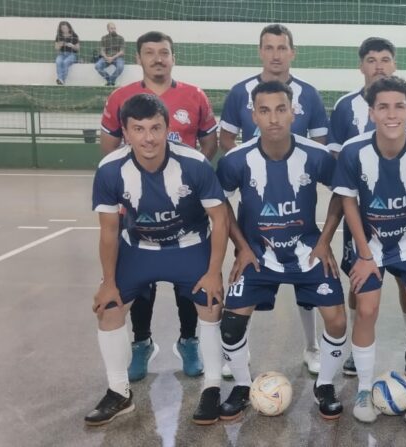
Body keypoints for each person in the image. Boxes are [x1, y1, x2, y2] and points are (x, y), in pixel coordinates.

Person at [85, 93, 229, 426]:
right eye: (138, 129)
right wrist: (108, 283)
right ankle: (119, 393)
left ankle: (211, 387)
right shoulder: (110, 170)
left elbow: (219, 220)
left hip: (189, 245)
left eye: (156, 128)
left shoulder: (193, 164)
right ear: (125, 131)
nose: (148, 137)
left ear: (168, 129)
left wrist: (213, 273)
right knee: (108, 308)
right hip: (138, 248)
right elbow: (109, 231)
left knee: (210, 302)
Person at [216, 80, 347, 421]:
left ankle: (326, 385)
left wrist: (325, 240)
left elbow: (343, 193)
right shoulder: (236, 160)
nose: (273, 118)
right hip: (259, 255)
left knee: (337, 320)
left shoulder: (316, 156)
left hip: (307, 252)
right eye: (264, 111)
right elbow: (219, 205)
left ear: (292, 113)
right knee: (230, 325)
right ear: (253, 116)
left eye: (280, 109)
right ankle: (243, 387)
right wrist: (241, 247)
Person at [99, 31, 219, 383]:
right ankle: (141, 343)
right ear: (138, 58)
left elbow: (209, 143)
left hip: (186, 209)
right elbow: (110, 148)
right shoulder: (121, 97)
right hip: (138, 209)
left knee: (190, 284)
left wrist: (185, 182)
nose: (157, 59)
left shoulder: (194, 95)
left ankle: (189, 340)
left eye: (164, 52)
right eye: (149, 53)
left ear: (173, 57)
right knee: (142, 281)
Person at [219, 25, 331, 376]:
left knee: (306, 272)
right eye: (269, 47)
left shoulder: (309, 95)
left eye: (282, 47)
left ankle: (312, 347)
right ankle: (239, 351)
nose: (276, 54)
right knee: (246, 272)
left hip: (298, 202)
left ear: (292, 52)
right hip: (256, 201)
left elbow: (322, 148)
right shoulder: (240, 92)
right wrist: (250, 168)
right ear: (260, 51)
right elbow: (225, 138)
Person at [333, 76, 406, 425]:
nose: (391, 114)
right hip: (370, 243)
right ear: (371, 112)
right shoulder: (353, 151)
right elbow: (348, 204)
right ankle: (365, 388)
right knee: (366, 308)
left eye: (399, 106)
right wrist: (364, 255)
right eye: (383, 107)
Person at [329, 37, 406, 379]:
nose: (378, 65)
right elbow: (336, 162)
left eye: (385, 59)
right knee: (360, 282)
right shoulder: (345, 108)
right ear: (361, 65)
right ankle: (356, 356)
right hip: (363, 214)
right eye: (371, 60)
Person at [95, 22, 126, 86]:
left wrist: (112, 58)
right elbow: (102, 51)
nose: (113, 30)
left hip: (117, 57)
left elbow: (122, 52)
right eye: (112, 28)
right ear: (108, 29)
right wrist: (106, 57)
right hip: (106, 57)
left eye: (114, 28)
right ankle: (109, 80)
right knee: (97, 66)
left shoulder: (120, 38)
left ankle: (111, 80)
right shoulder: (104, 38)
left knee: (120, 67)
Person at [54, 21, 80, 85]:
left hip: (72, 54)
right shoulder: (59, 36)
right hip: (62, 54)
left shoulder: (74, 35)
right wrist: (60, 44)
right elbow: (56, 48)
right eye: (62, 28)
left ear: (69, 28)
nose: (64, 30)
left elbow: (78, 48)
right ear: (60, 29)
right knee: (58, 61)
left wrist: (72, 46)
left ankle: (61, 80)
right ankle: (61, 80)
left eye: (65, 28)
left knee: (65, 62)